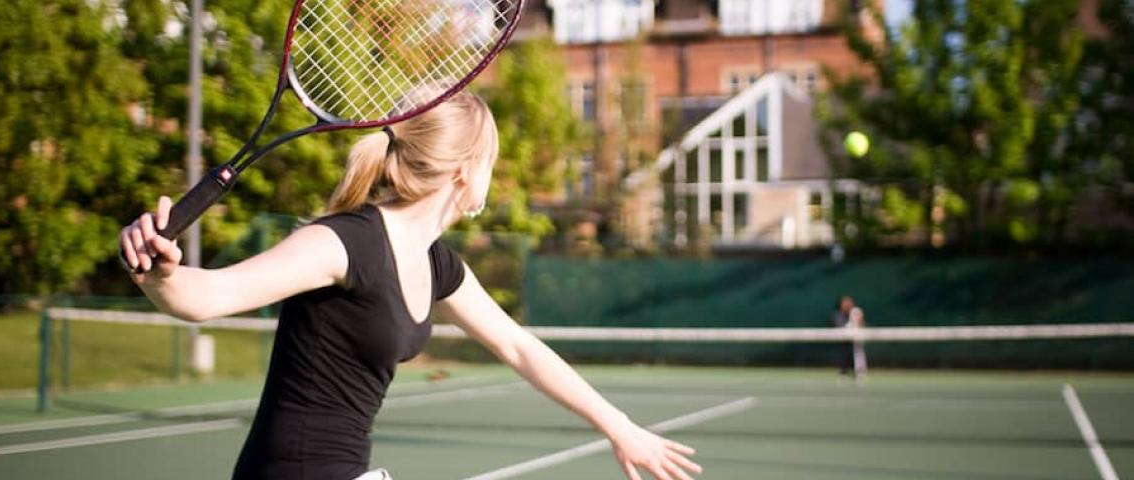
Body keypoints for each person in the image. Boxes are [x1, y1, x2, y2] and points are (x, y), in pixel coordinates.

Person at [118, 91, 701, 480]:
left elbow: (519, 346)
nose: (493, 180)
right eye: (492, 165)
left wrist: (619, 428)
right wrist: (159, 272)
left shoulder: (435, 262)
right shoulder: (343, 242)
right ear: (464, 172)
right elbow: (207, 297)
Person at [831, 295, 867, 381]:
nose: (847, 305)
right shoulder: (838, 315)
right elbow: (840, 327)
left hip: (855, 341)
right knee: (844, 353)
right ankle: (843, 372)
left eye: (849, 303)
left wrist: (859, 321)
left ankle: (859, 372)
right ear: (841, 305)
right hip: (843, 342)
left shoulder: (855, 313)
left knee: (858, 351)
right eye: (845, 303)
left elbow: (861, 327)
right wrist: (852, 323)